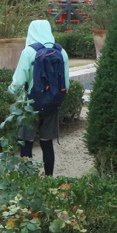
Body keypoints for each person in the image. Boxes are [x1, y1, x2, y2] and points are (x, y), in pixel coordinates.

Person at [10, 19, 70, 176]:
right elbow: (66, 84)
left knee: (26, 143)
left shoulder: (29, 52)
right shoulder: (61, 52)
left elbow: (18, 81)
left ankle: (28, 178)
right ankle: (49, 178)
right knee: (47, 143)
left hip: (29, 104)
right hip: (52, 104)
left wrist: (11, 91)